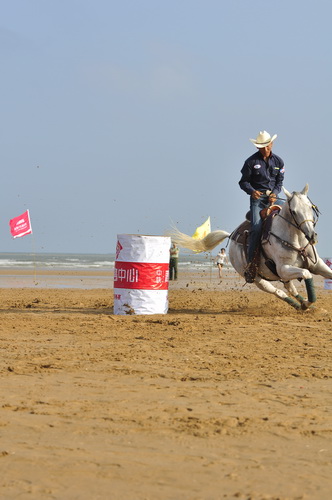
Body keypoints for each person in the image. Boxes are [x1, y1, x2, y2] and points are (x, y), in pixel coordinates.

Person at [239, 130, 285, 283]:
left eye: (267, 145)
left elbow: (279, 182)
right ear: (257, 147)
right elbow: (243, 182)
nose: (266, 149)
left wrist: (275, 192)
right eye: (262, 146)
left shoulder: (279, 162)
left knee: (292, 216)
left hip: (274, 199)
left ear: (271, 144)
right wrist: (252, 191)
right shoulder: (250, 162)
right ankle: (251, 266)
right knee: (256, 228)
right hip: (258, 201)